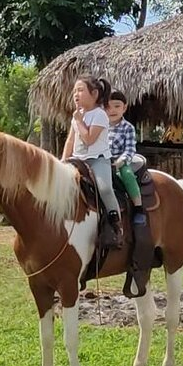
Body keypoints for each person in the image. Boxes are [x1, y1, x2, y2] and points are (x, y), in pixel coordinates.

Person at [62, 75, 123, 243]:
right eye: (74, 91)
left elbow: (89, 139)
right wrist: (62, 161)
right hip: (77, 160)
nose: (76, 94)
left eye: (80, 90)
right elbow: (70, 141)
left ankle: (116, 225)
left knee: (104, 189)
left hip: (97, 160)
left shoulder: (100, 115)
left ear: (94, 94)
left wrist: (79, 121)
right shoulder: (77, 116)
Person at [106, 90, 147, 225]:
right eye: (108, 106)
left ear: (124, 107)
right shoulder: (100, 126)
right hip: (103, 160)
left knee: (127, 174)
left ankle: (138, 207)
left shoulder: (127, 127)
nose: (112, 110)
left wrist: (120, 162)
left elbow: (130, 149)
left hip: (121, 160)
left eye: (117, 106)